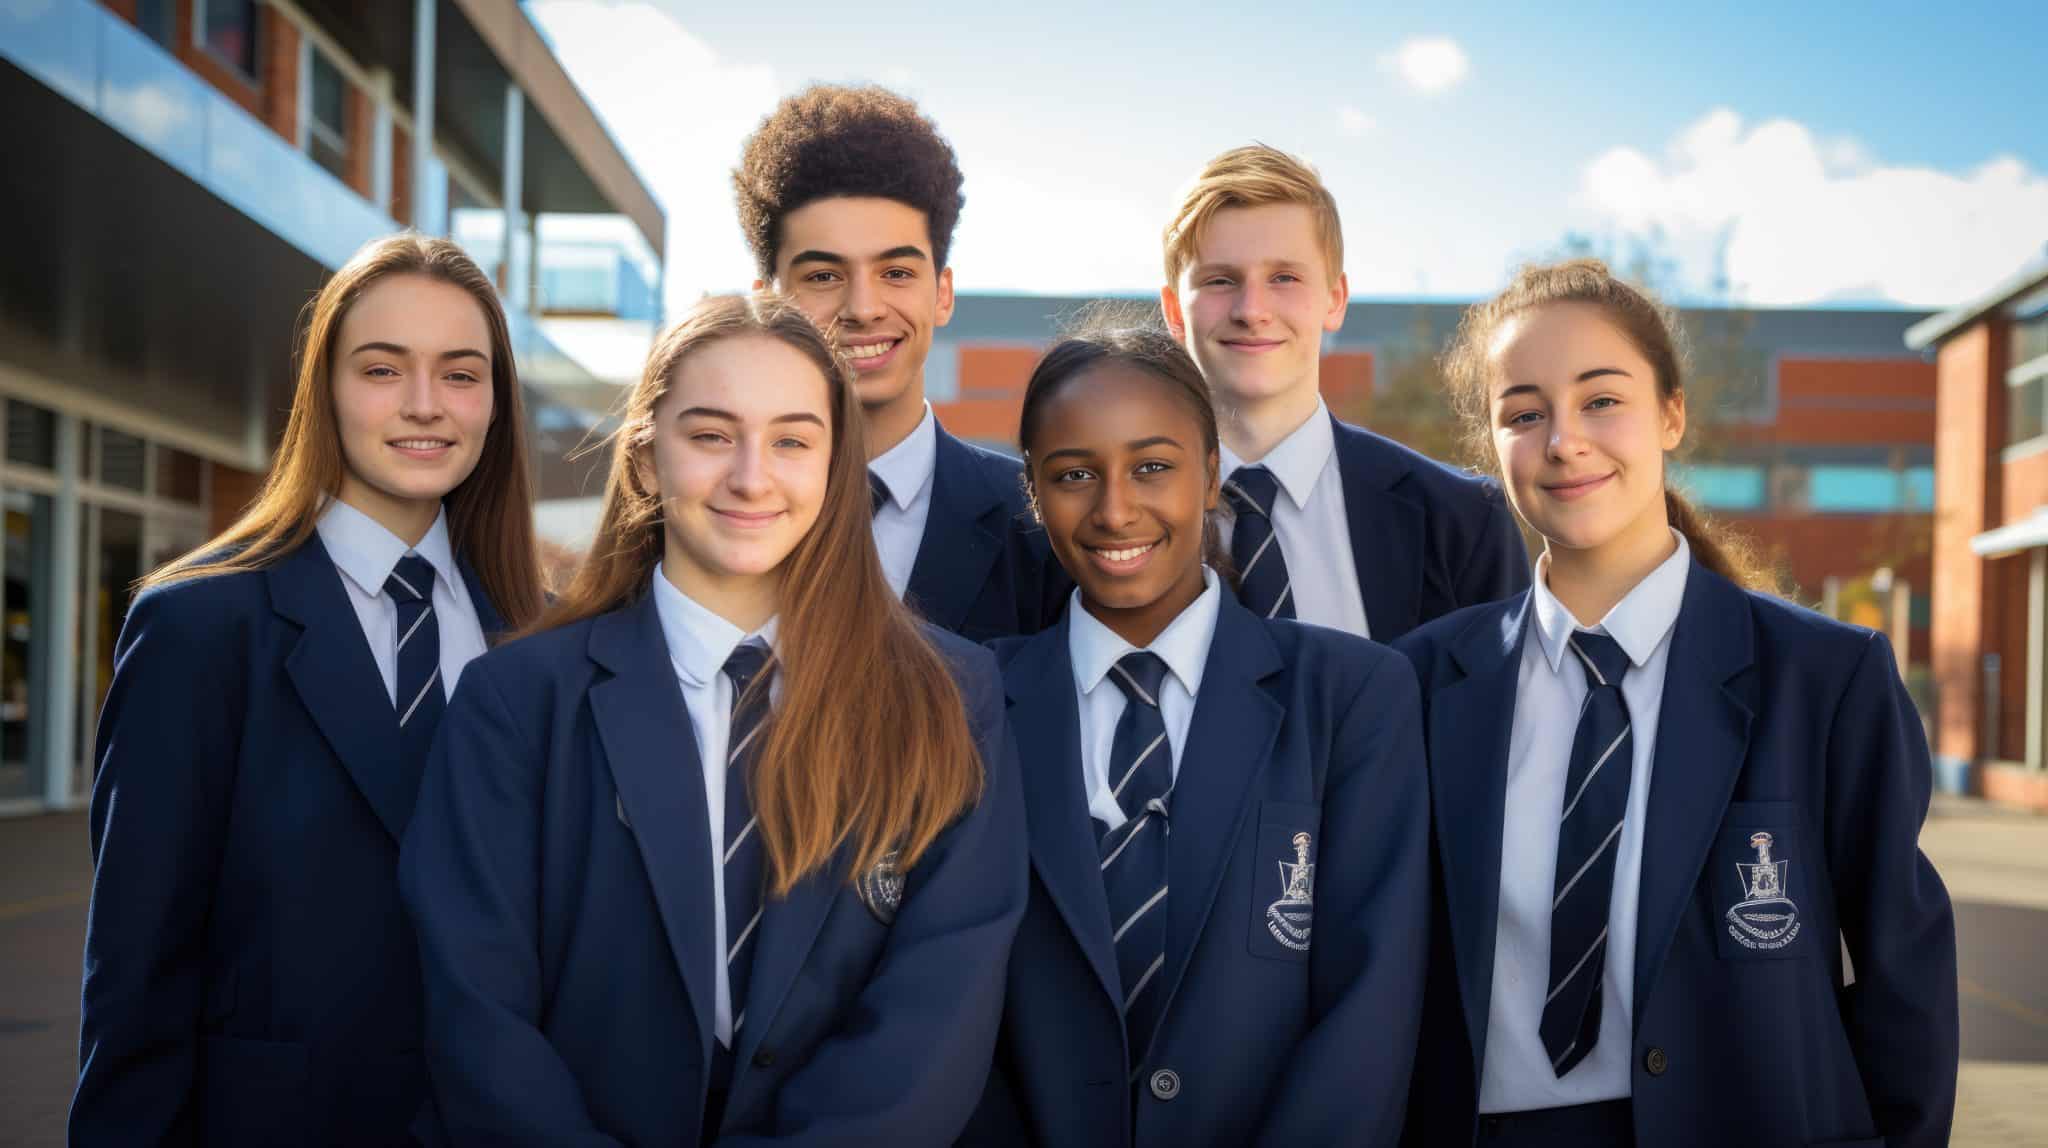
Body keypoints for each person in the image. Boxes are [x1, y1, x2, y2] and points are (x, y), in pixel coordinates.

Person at [400, 293, 1028, 1145]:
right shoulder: (515, 701)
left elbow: (934, 1019)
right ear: (646, 460)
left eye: (792, 441)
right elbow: (479, 1014)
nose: (751, 477)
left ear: (835, 466)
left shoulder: (946, 696)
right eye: (710, 436)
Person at [1394, 259, 1958, 1147]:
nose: (1564, 441)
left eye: (1601, 400)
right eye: (1525, 413)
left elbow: (1906, 977)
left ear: (1671, 414)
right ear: (1491, 444)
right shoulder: (1419, 684)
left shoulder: (1825, 677)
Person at [71, 234, 545, 1146]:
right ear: (324, 389)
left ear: (495, 401)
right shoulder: (200, 627)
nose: (424, 404)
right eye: (382, 369)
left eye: (460, 374)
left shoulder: (541, 639)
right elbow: (137, 977)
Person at [964, 324, 1429, 1146]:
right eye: (1074, 475)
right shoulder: (969, 705)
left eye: (1153, 467)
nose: (1115, 509)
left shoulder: (1352, 696)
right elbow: (950, 1007)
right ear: (1033, 492)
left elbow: (1370, 1007)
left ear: (1212, 475)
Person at [733, 84, 1068, 640]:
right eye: (824, 276)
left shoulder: (1039, 524)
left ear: (942, 294)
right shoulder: (710, 511)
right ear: (767, 303)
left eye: (896, 273)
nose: (864, 308)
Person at [1160, 144, 1529, 639]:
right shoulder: (1105, 520)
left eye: (1284, 277)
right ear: (1175, 312)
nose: (1252, 310)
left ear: (1335, 300)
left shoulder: (1461, 520)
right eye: (1221, 280)